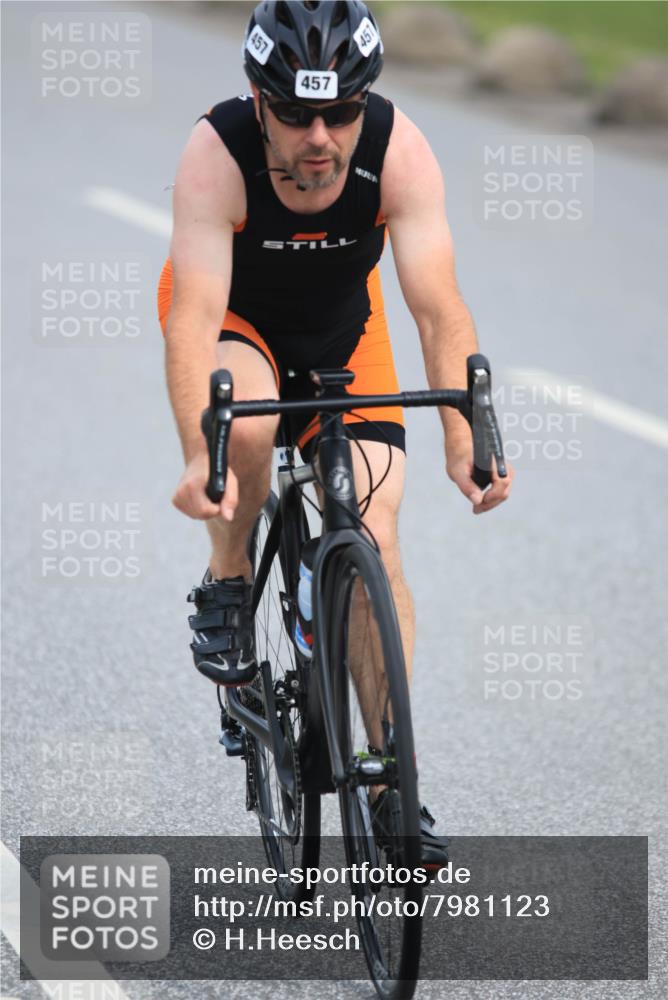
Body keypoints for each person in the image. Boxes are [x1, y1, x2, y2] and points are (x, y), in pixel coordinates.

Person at [158, 0, 512, 868]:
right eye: (295, 113)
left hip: (343, 332)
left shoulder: (400, 151)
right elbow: (194, 319)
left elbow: (437, 306)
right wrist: (201, 454)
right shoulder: (217, 156)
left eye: (342, 112)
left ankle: (394, 786)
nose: (321, 137)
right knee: (244, 431)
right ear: (257, 98)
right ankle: (229, 582)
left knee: (378, 532)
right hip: (237, 325)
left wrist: (469, 433)